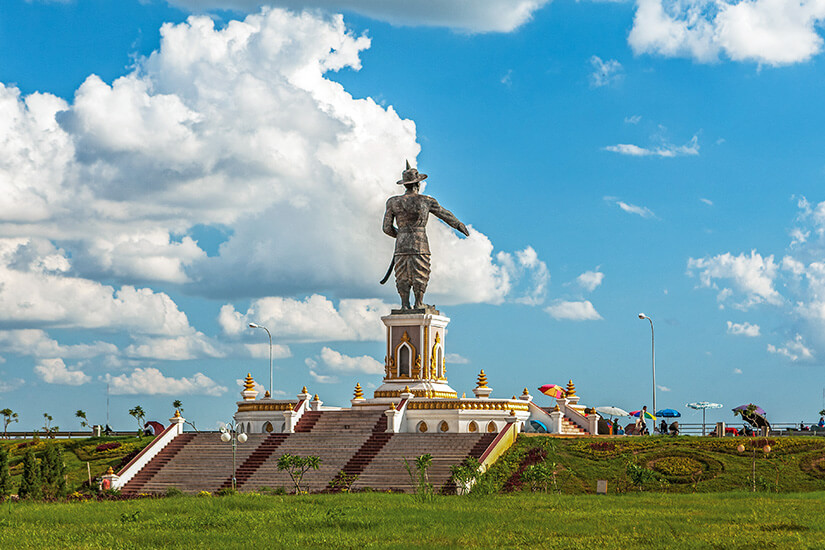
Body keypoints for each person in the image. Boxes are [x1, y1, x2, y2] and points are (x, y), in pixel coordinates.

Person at [382, 162, 469, 310]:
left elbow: (386, 228)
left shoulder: (393, 202)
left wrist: (400, 236)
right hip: (419, 242)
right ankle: (418, 302)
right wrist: (459, 225)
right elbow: (444, 214)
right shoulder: (426, 201)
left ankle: (404, 304)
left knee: (402, 272)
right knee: (420, 271)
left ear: (405, 185)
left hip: (401, 245)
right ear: (418, 184)